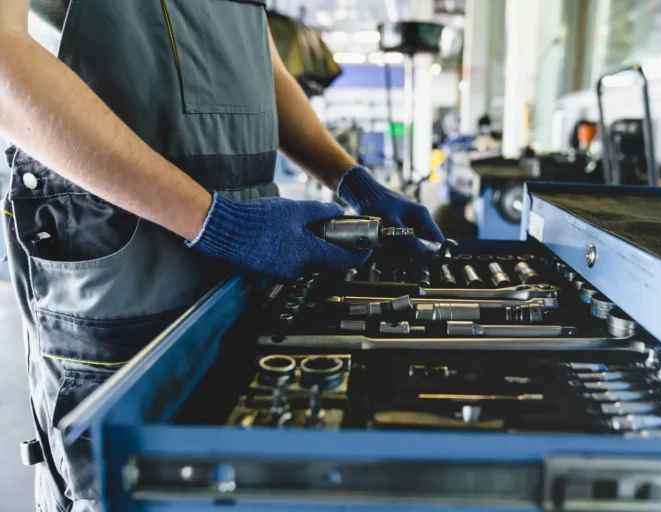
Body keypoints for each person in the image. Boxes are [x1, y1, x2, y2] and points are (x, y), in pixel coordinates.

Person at [0, 1, 444, 510]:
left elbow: (260, 60)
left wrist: (350, 179)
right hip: (129, 270)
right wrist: (216, 221)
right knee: (131, 479)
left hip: (249, 268)